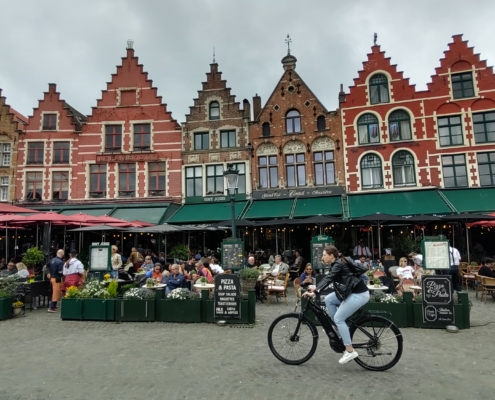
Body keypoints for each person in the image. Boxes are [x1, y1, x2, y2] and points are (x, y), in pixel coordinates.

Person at [303, 245, 369, 365]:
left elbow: (328, 278)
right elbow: (330, 278)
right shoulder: (337, 263)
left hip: (359, 294)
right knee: (328, 299)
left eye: (324, 255)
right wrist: (315, 287)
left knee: (339, 318)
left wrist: (315, 292)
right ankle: (339, 329)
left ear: (331, 256)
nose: (322, 257)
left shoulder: (338, 264)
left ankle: (350, 351)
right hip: (350, 292)